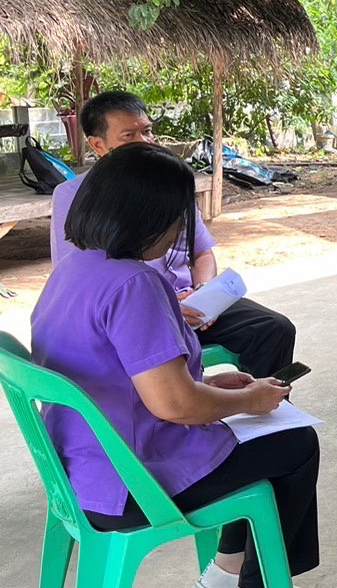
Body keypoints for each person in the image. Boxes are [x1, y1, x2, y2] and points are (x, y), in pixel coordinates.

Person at [33, 143, 322, 588]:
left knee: (256, 440)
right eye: (177, 219)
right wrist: (247, 399)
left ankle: (226, 570)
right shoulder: (135, 285)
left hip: (85, 471)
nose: (178, 234)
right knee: (294, 444)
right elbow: (175, 404)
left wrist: (213, 384)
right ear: (150, 219)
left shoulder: (74, 270)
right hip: (133, 482)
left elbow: (125, 378)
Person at [51, 91, 297, 379]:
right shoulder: (75, 195)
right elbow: (81, 278)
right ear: (97, 144)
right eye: (129, 135)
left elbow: (201, 251)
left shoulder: (171, 182)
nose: (144, 142)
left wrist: (204, 292)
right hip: (136, 311)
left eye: (147, 131)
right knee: (167, 365)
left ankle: (270, 404)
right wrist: (165, 309)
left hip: (192, 304)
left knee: (274, 328)